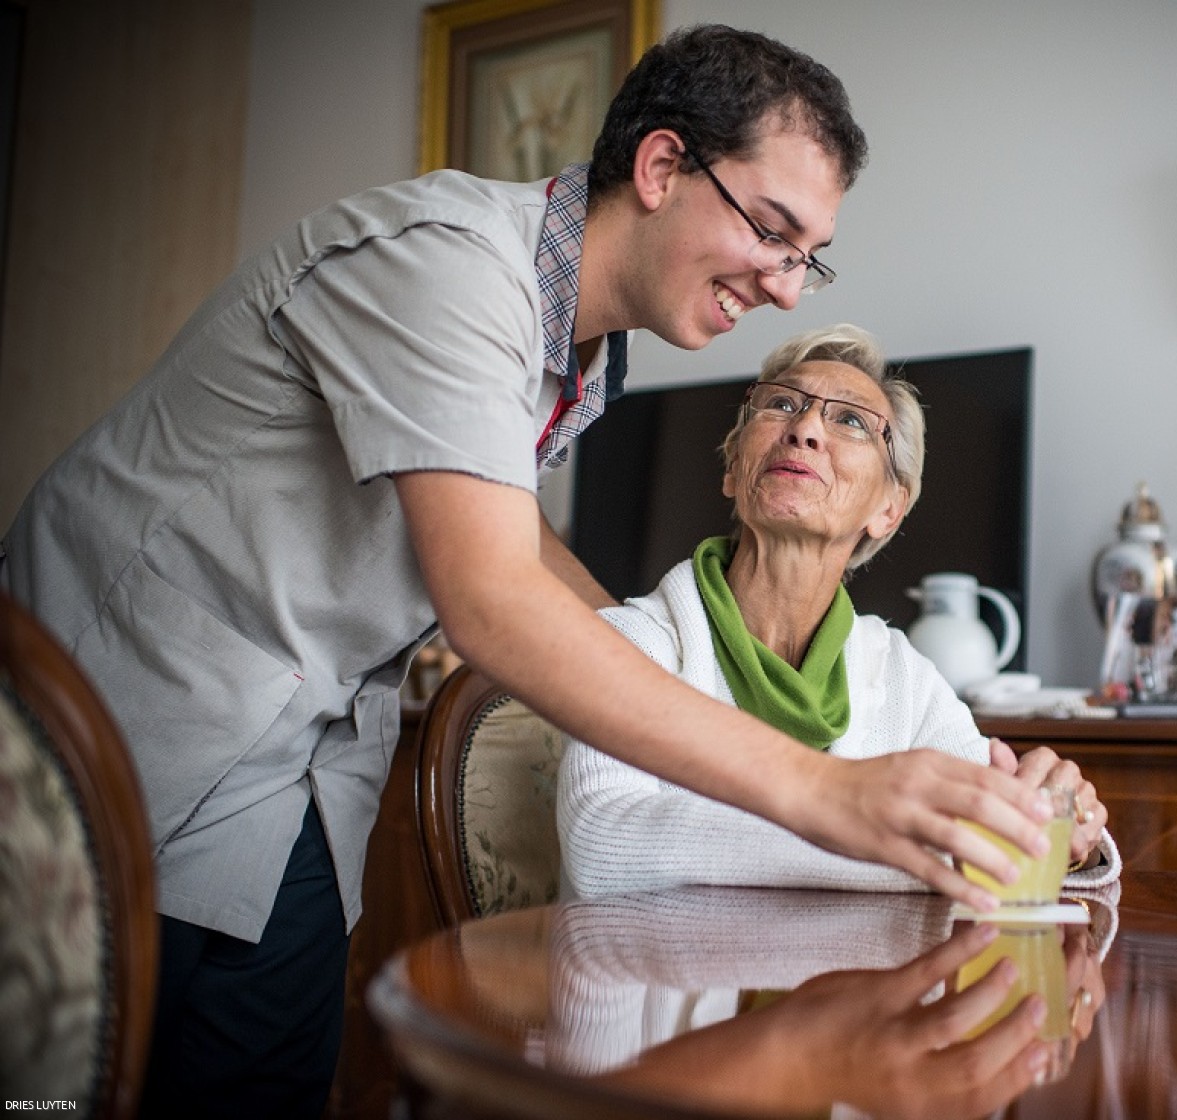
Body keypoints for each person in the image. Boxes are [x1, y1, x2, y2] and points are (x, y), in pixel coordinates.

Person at [0, 25, 1053, 1116]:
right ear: (659, 168)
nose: (788, 289)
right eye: (773, 233)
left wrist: (643, 637)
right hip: (120, 733)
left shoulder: (584, 352)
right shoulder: (449, 265)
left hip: (290, 781)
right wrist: (827, 790)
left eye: (808, 256)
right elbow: (493, 598)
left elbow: (503, 526)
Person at [558, 323, 1119, 898]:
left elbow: (993, 833)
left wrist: (1064, 835)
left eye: (849, 420)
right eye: (780, 404)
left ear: (888, 509)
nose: (803, 429)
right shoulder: (632, 643)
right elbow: (601, 846)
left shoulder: (902, 673)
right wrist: (871, 831)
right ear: (732, 471)